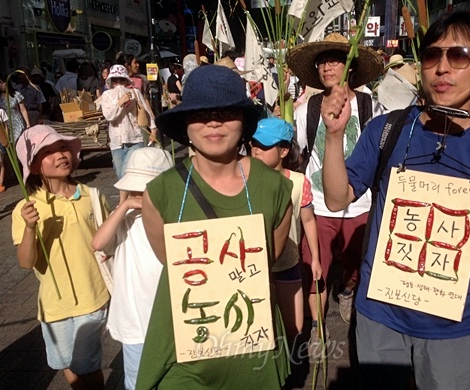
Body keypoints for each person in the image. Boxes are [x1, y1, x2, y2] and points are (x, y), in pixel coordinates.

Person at [321, 11, 470, 389]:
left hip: (452, 325)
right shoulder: (387, 129)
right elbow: (339, 198)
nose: (442, 68)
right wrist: (334, 137)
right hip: (379, 315)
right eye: (432, 56)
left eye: (458, 56)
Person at [136, 65, 293, 389]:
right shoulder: (160, 194)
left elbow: (268, 261)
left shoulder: (275, 188)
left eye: (226, 112)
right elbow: (175, 266)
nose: (213, 121)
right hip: (185, 352)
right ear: (184, 124)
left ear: (244, 121)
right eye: (200, 113)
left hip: (254, 351)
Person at [285, 32, 384, 341]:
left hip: (361, 204)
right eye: (322, 62)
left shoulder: (371, 107)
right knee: (315, 271)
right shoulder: (307, 110)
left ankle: (348, 289)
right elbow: (293, 153)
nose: (327, 67)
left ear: (350, 66)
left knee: (357, 268)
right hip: (316, 205)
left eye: (335, 60)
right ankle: (317, 329)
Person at [11, 125, 110, 389]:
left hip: (92, 297)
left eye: (62, 147)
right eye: (48, 151)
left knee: (87, 367)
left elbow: (111, 239)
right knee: (68, 365)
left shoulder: (92, 195)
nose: (60, 155)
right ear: (32, 166)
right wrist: (31, 227)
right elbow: (25, 262)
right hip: (54, 304)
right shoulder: (26, 207)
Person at [91, 147, 173, 390]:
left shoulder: (172, 216)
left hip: (167, 317)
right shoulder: (125, 220)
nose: (142, 195)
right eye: (136, 190)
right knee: (137, 382)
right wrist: (124, 206)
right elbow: (97, 243)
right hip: (134, 321)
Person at [250, 117, 321, 346]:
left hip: (288, 262)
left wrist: (316, 259)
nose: (256, 151)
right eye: (254, 144)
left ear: (283, 150)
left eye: (264, 145)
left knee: (296, 326)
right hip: (252, 266)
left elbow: (308, 221)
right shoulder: (243, 180)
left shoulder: (299, 183)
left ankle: (285, 354)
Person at [100, 65, 157, 203]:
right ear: (111, 82)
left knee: (130, 173)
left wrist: (153, 130)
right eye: (115, 80)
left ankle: (123, 203)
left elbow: (146, 112)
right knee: (121, 175)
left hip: (135, 137)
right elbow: (109, 115)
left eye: (121, 80)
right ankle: (128, 202)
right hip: (116, 142)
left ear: (126, 81)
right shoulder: (107, 95)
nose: (119, 83)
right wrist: (120, 103)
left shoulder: (135, 93)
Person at [0, 73, 30, 140]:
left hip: (17, 123)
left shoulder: (16, 94)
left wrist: (28, 123)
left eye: (3, 82)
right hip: (5, 125)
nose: (1, 85)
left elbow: (23, 109)